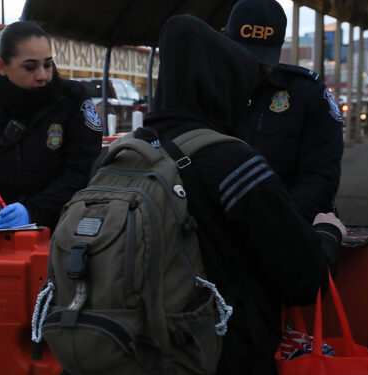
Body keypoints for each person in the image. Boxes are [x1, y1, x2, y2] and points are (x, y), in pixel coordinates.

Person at [139, 15, 345, 374]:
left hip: (138, 347)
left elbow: (320, 173)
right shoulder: (232, 161)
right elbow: (304, 277)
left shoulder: (127, 154)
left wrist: (284, 222)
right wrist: (322, 234)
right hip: (220, 349)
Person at [0, 21, 103, 229]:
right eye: (30, 67)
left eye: (48, 65)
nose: (42, 76)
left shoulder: (72, 100)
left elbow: (84, 169)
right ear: (2, 67)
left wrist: (34, 210)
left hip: (57, 230)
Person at [223, 0, 344, 223]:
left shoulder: (307, 93)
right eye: (244, 56)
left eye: (262, 59)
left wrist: (278, 229)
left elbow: (320, 178)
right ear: (223, 39)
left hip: (289, 228)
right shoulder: (209, 91)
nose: (253, 67)